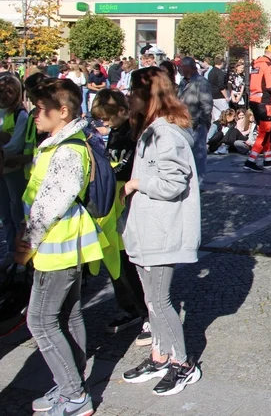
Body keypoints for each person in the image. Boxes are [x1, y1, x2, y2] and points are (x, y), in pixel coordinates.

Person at [16, 79, 102, 415]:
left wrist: (26, 243)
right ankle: (71, 385)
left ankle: (74, 394)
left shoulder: (67, 149)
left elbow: (50, 205)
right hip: (62, 246)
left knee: (40, 321)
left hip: (56, 249)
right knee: (68, 315)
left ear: (62, 112)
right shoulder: (63, 142)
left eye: (40, 109)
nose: (34, 114)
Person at [120, 67, 202, 396]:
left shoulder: (166, 132)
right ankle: (160, 355)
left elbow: (173, 182)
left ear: (148, 95)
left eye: (133, 92)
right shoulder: (152, 129)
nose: (128, 97)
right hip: (147, 230)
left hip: (162, 231)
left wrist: (137, 183)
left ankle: (183, 364)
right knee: (151, 301)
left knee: (159, 299)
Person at [89, 89, 151, 345]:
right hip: (112, 203)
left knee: (129, 261)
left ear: (123, 112)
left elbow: (130, 165)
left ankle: (145, 312)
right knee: (116, 260)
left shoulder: (134, 132)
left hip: (126, 202)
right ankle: (130, 307)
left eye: (108, 118)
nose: (105, 123)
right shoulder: (116, 130)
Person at [0, 75, 28, 267]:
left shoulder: (20, 114)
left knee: (17, 211)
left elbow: (15, 144)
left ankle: (20, 255)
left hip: (14, 169)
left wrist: (4, 140)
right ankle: (10, 250)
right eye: (1, 91)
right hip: (2, 170)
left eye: (9, 92)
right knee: (4, 214)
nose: (4, 95)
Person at [243, 46, 271, 172]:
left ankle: (268, 159)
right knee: (265, 130)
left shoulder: (256, 64)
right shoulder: (268, 65)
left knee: (266, 130)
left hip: (254, 100)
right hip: (264, 102)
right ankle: (251, 160)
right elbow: (270, 85)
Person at [177, 57, 212, 183]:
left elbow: (207, 105)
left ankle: (198, 182)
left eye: (182, 66)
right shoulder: (183, 82)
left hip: (196, 123)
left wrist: (201, 121)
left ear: (190, 68)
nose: (180, 68)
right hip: (183, 122)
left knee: (198, 153)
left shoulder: (201, 82)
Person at [205, 56, 229, 121]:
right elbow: (221, 86)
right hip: (220, 97)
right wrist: (226, 96)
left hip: (212, 96)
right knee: (227, 114)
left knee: (217, 117)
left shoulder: (211, 72)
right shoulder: (220, 72)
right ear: (222, 63)